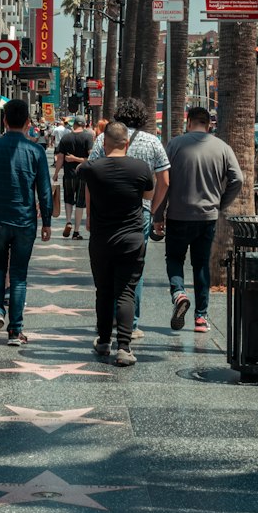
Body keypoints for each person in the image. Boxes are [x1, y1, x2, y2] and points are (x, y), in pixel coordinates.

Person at [151, 106, 244, 333]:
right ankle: (201, 318)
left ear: (189, 121)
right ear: (209, 124)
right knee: (201, 264)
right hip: (207, 216)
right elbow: (238, 179)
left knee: (174, 258)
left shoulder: (174, 145)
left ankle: (179, 293)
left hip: (178, 215)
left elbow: (165, 182)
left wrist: (158, 215)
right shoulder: (222, 148)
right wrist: (222, 203)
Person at [87, 97, 170, 337]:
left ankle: (109, 320)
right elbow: (165, 180)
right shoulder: (152, 141)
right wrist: (153, 207)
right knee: (135, 269)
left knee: (105, 268)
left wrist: (90, 213)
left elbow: (90, 178)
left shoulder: (104, 139)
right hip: (138, 213)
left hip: (104, 211)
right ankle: (130, 324)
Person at [0, 97, 52, 345]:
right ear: (28, 123)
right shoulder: (36, 151)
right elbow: (44, 190)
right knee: (19, 275)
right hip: (24, 220)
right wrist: (47, 221)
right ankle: (15, 330)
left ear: (5, 120)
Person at [79, 121, 153, 367]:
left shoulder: (92, 168)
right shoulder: (141, 168)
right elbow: (148, 195)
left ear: (104, 142)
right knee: (126, 291)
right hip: (132, 238)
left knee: (104, 291)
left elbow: (81, 171)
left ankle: (103, 341)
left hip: (101, 240)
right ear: (127, 143)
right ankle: (124, 347)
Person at [54, 117, 93, 238]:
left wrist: (56, 173)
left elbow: (60, 158)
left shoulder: (66, 138)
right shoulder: (88, 137)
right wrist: (78, 159)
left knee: (68, 199)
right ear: (84, 125)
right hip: (83, 175)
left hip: (69, 174)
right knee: (80, 203)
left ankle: (68, 221)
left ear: (74, 125)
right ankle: (76, 231)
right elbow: (91, 158)